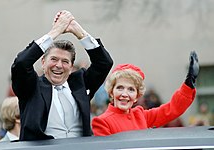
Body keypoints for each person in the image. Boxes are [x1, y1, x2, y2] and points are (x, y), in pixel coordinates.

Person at [11, 10, 113, 141]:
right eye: (54, 59)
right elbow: (21, 63)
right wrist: (55, 32)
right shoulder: (31, 87)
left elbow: (104, 63)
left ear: (71, 67)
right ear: (43, 62)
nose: (58, 65)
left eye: (65, 61)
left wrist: (78, 32)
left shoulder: (81, 83)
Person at [92, 51, 199, 136]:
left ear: (136, 97)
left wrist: (188, 84)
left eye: (131, 90)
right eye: (120, 88)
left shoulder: (140, 115)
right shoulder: (101, 122)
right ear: (111, 92)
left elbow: (172, 109)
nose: (125, 94)